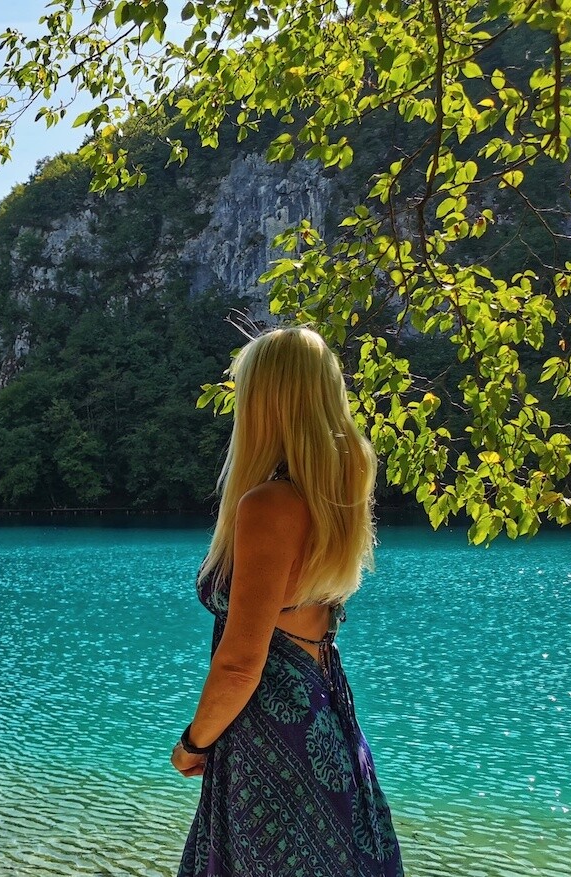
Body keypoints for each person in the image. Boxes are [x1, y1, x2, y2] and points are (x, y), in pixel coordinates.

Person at [171, 326, 404, 877]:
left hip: (272, 736)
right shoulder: (335, 496)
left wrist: (192, 742)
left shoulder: (270, 505)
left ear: (266, 402)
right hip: (326, 714)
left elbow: (238, 663)